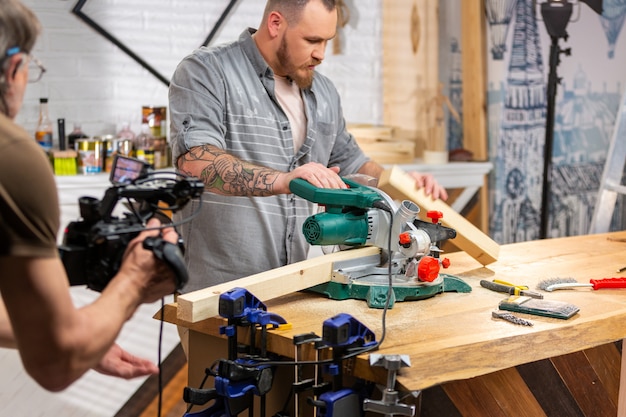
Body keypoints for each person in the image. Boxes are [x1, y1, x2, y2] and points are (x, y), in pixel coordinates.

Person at [169, 0, 448, 294]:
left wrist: (402, 184)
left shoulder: (323, 92)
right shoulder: (206, 72)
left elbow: (352, 163)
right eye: (312, 40)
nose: (321, 54)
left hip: (294, 286)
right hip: (217, 291)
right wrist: (284, 180)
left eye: (327, 41)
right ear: (275, 24)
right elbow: (197, 163)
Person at [0, 0, 180, 392]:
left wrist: (82, 337)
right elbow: (55, 364)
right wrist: (133, 281)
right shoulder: (11, 156)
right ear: (14, 68)